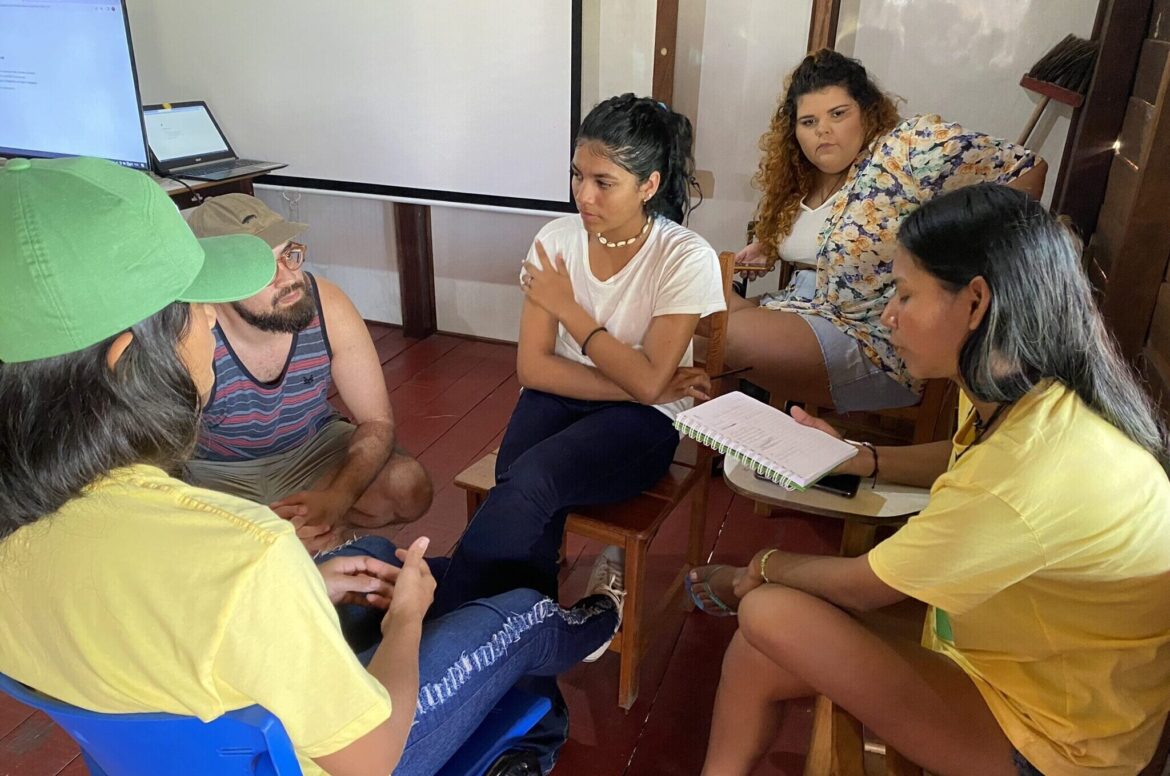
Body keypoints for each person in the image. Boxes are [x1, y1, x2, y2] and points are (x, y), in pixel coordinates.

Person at [0, 156, 621, 776]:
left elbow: (165, 625)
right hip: (325, 758)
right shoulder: (247, 554)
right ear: (126, 359)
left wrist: (301, 590)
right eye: (192, 306)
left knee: (375, 556)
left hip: (187, 749)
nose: (211, 315)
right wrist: (405, 623)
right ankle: (596, 627)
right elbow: (370, 758)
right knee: (518, 614)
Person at [688, 184, 1170, 776]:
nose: (888, 315)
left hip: (1059, 745)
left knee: (768, 612)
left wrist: (759, 566)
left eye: (905, 294)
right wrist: (865, 459)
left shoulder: (1022, 470)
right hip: (1017, 660)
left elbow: (863, 587)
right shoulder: (1026, 390)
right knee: (760, 646)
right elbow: (960, 460)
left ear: (975, 303)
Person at [430, 94, 726, 617]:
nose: (583, 196)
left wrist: (568, 308)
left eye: (603, 182)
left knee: (533, 480)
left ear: (649, 185)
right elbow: (533, 368)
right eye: (577, 175)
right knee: (520, 478)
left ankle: (447, 609)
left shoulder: (684, 256)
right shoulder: (555, 240)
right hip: (573, 394)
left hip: (646, 422)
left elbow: (649, 387)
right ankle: (530, 618)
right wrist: (640, 384)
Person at [726, 49, 1048, 413]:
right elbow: (826, 241)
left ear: (866, 111)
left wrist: (968, 255)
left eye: (838, 114)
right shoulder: (801, 175)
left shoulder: (905, 148)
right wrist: (769, 245)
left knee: (719, 331)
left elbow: (1026, 167)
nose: (823, 130)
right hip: (796, 306)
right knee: (694, 315)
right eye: (809, 121)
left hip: (870, 335)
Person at [183, 194, 432, 553]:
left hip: (312, 449)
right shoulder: (190, 332)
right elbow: (153, 465)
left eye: (289, 255)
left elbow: (376, 421)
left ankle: (325, 536)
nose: (288, 278)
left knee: (408, 486)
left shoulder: (326, 303)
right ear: (217, 284)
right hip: (218, 473)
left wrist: (337, 500)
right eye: (262, 268)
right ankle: (297, 547)